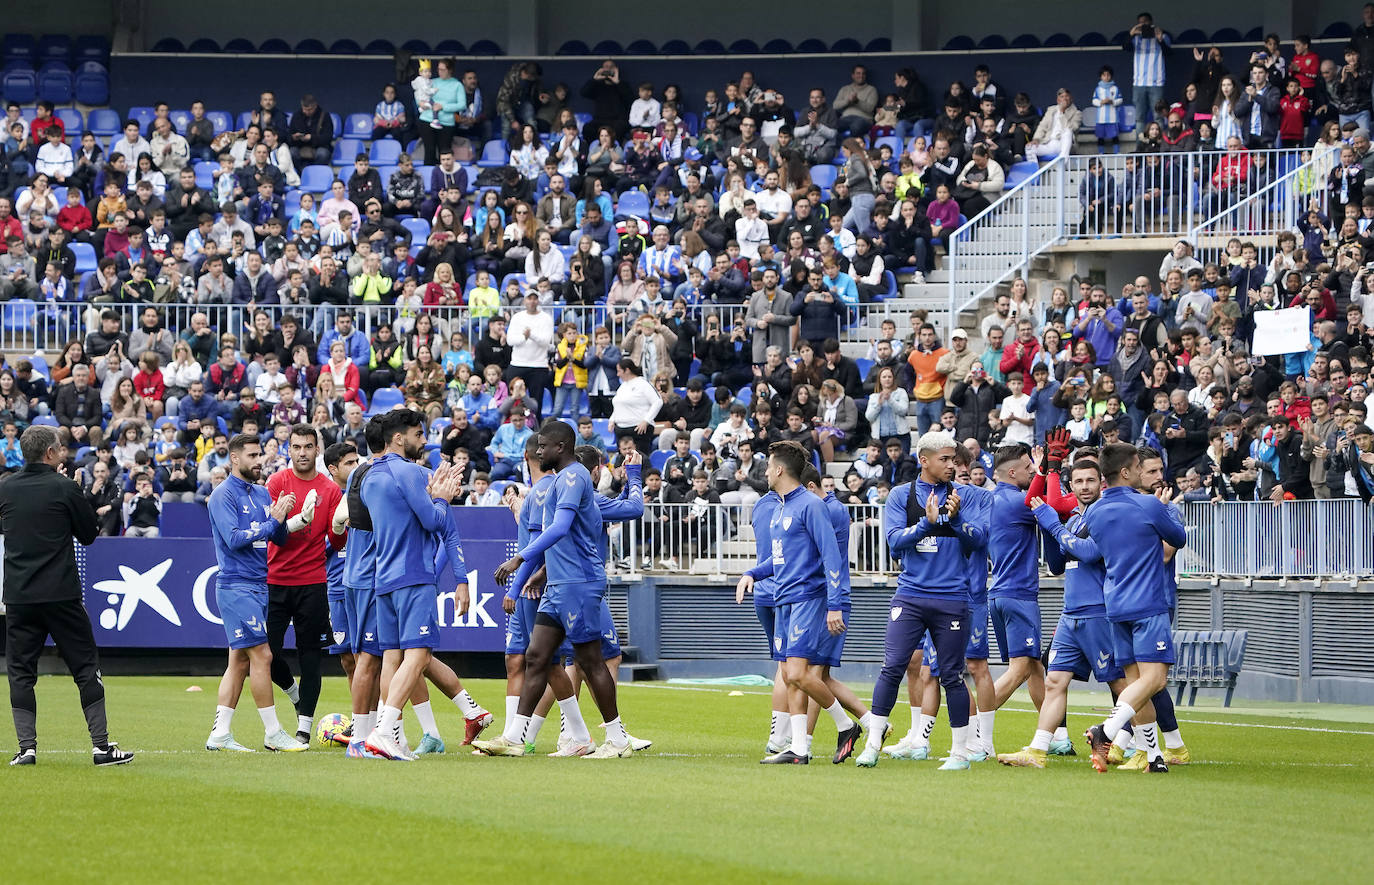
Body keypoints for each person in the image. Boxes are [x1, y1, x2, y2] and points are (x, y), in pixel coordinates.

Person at [478, 419, 634, 758]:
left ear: (560, 448)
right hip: (559, 585)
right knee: (536, 657)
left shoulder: (575, 477)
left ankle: (619, 740)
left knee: (591, 661)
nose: (538, 451)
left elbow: (561, 527)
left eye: (543, 446)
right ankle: (516, 738)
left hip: (579, 583)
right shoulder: (560, 480)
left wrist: (519, 560)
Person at [854, 429, 988, 769]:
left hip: (952, 599)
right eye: (944, 459)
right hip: (910, 596)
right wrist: (925, 526)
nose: (952, 465)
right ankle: (871, 745)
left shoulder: (965, 495)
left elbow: (978, 541)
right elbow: (895, 541)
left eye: (954, 459)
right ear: (924, 460)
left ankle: (960, 753)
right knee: (892, 667)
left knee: (952, 675)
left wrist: (956, 522)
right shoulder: (901, 495)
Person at [1, 426, 133, 766]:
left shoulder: (6, 487)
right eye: (60, 449)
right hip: (61, 594)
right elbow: (89, 535)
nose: (64, 453)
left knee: (20, 672)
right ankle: (102, 748)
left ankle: (26, 749)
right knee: (86, 668)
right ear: (49, 454)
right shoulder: (64, 487)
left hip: (18, 596)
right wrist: (76, 495)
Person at [998, 457, 1129, 768]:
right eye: (1079, 482)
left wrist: (1052, 522)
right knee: (1054, 681)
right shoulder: (1073, 521)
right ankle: (1038, 750)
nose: (1085, 487)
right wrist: (1048, 526)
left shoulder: (1105, 516)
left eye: (1090, 481)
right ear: (1072, 486)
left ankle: (1138, 746)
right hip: (1070, 614)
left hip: (1098, 612)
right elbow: (1057, 565)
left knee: (1119, 683)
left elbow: (1089, 552)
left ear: (1102, 484)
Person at [729, 440, 851, 764]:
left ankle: (847, 724)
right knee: (789, 674)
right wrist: (752, 573)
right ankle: (799, 747)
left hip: (806, 599)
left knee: (797, 672)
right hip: (782, 599)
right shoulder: (779, 507)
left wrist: (835, 604)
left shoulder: (810, 505)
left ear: (780, 469)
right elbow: (779, 559)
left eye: (768, 466)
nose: (765, 472)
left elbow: (832, 558)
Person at [358, 410, 466, 760]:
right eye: (419, 434)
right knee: (418, 654)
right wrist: (442, 498)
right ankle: (384, 732)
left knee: (391, 657)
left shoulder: (369, 476)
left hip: (383, 578)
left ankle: (394, 738)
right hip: (413, 574)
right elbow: (434, 521)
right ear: (399, 438)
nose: (424, 440)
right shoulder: (406, 471)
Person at [1083, 443, 1187, 773]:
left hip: (1115, 604)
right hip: (1148, 603)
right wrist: (1165, 509)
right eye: (1140, 466)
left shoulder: (1093, 511)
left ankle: (1153, 757)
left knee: (1134, 684)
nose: (1144, 471)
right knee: (1154, 680)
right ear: (1126, 472)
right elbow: (1178, 538)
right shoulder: (1147, 505)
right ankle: (1108, 730)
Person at [205, 433, 307, 752]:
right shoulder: (222, 496)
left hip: (258, 584)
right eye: (251, 455)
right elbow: (235, 539)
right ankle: (273, 732)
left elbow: (278, 540)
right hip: (236, 585)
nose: (258, 460)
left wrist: (285, 518)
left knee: (239, 662)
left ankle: (220, 734)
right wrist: (273, 520)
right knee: (262, 655)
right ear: (234, 459)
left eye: (259, 454)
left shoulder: (262, 494)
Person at [265, 425, 345, 745]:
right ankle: (294, 694)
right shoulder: (277, 483)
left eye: (308, 447)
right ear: (289, 450)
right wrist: (294, 520)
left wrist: (339, 525)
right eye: (296, 447)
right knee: (265, 654)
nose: (302, 452)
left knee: (310, 656)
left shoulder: (330, 490)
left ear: (317, 451)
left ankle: (304, 728)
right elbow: (274, 533)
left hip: (313, 582)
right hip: (276, 580)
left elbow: (337, 542)